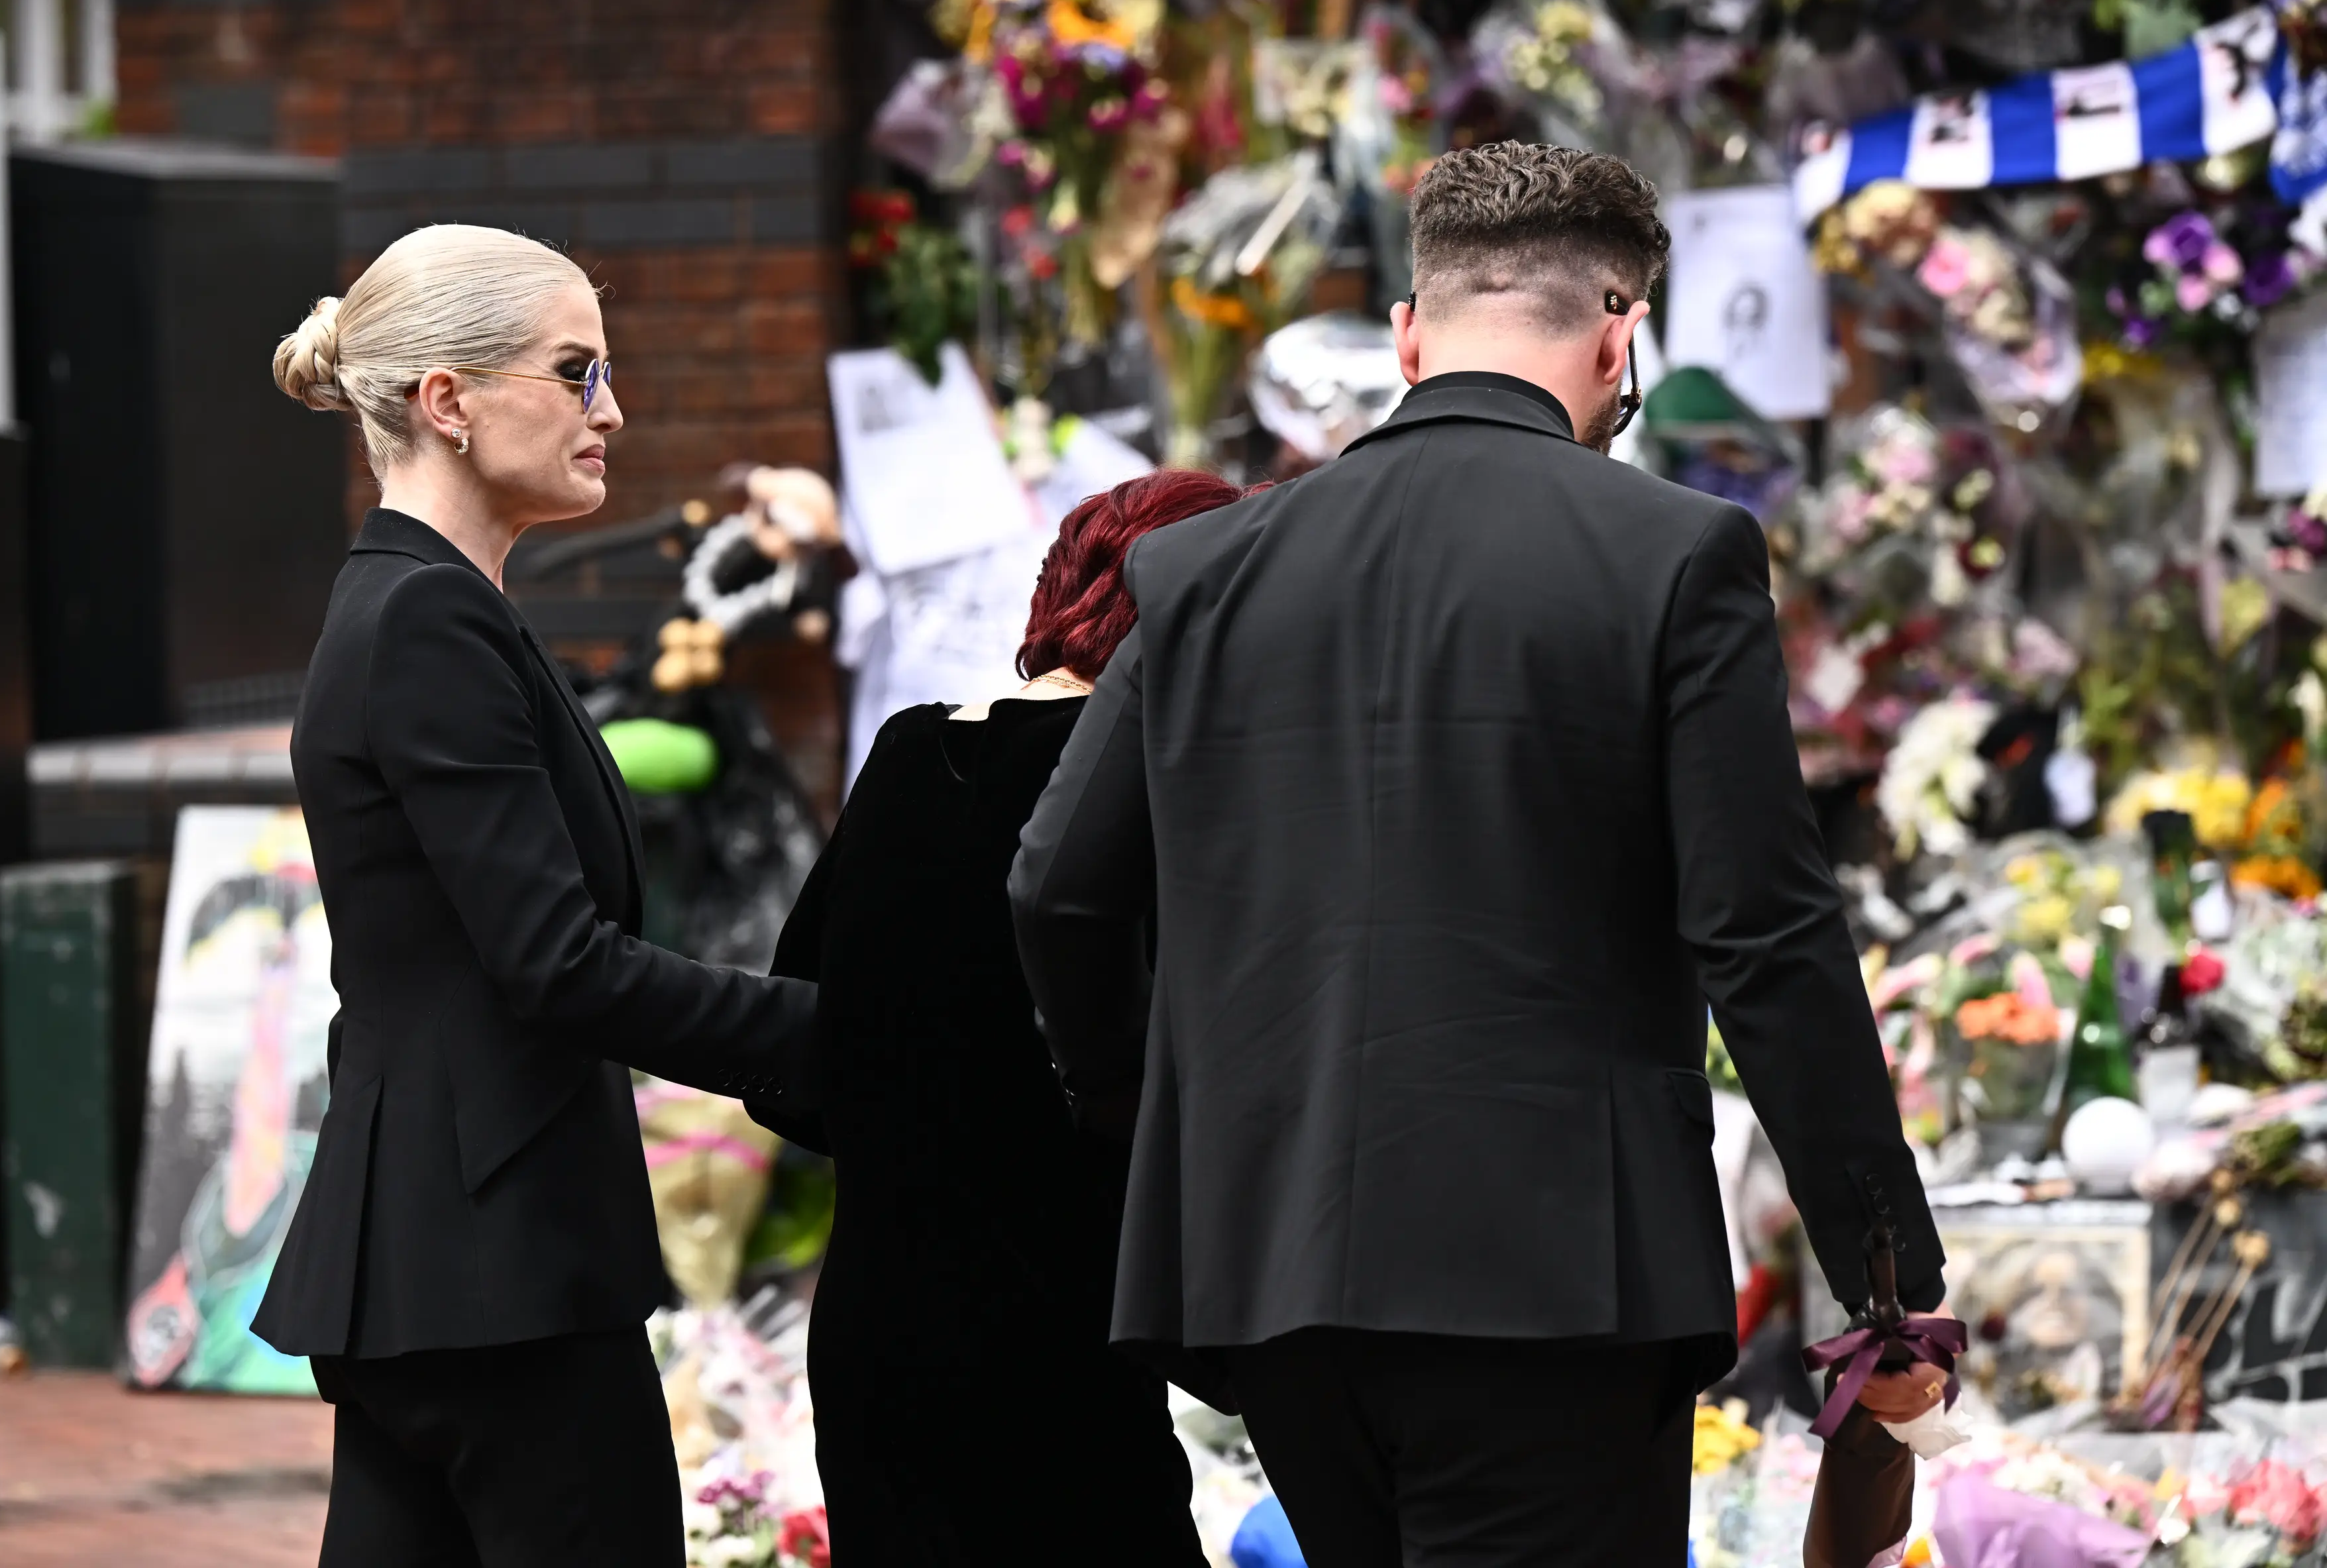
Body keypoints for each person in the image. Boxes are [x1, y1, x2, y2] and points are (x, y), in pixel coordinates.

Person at [1008, 144, 1950, 1566]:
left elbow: (1058, 886)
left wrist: (1161, 1123)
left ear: (1409, 335)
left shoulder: (1204, 570)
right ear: (1621, 341)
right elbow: (1763, 933)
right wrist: (1886, 1273)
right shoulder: (1676, 552)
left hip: (1272, 1267)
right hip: (1558, 1279)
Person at [252, 223, 817, 1567]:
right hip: (494, 1262)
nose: (610, 410)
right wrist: (831, 1031)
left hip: (444, 1253)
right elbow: (559, 960)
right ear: (447, 401)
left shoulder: (423, 603)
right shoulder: (427, 618)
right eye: (576, 372)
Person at [749, 470, 1242, 1568]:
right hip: (1059, 1329)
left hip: (878, 1322)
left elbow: (801, 1053)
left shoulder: (904, 754)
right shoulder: (1145, 789)